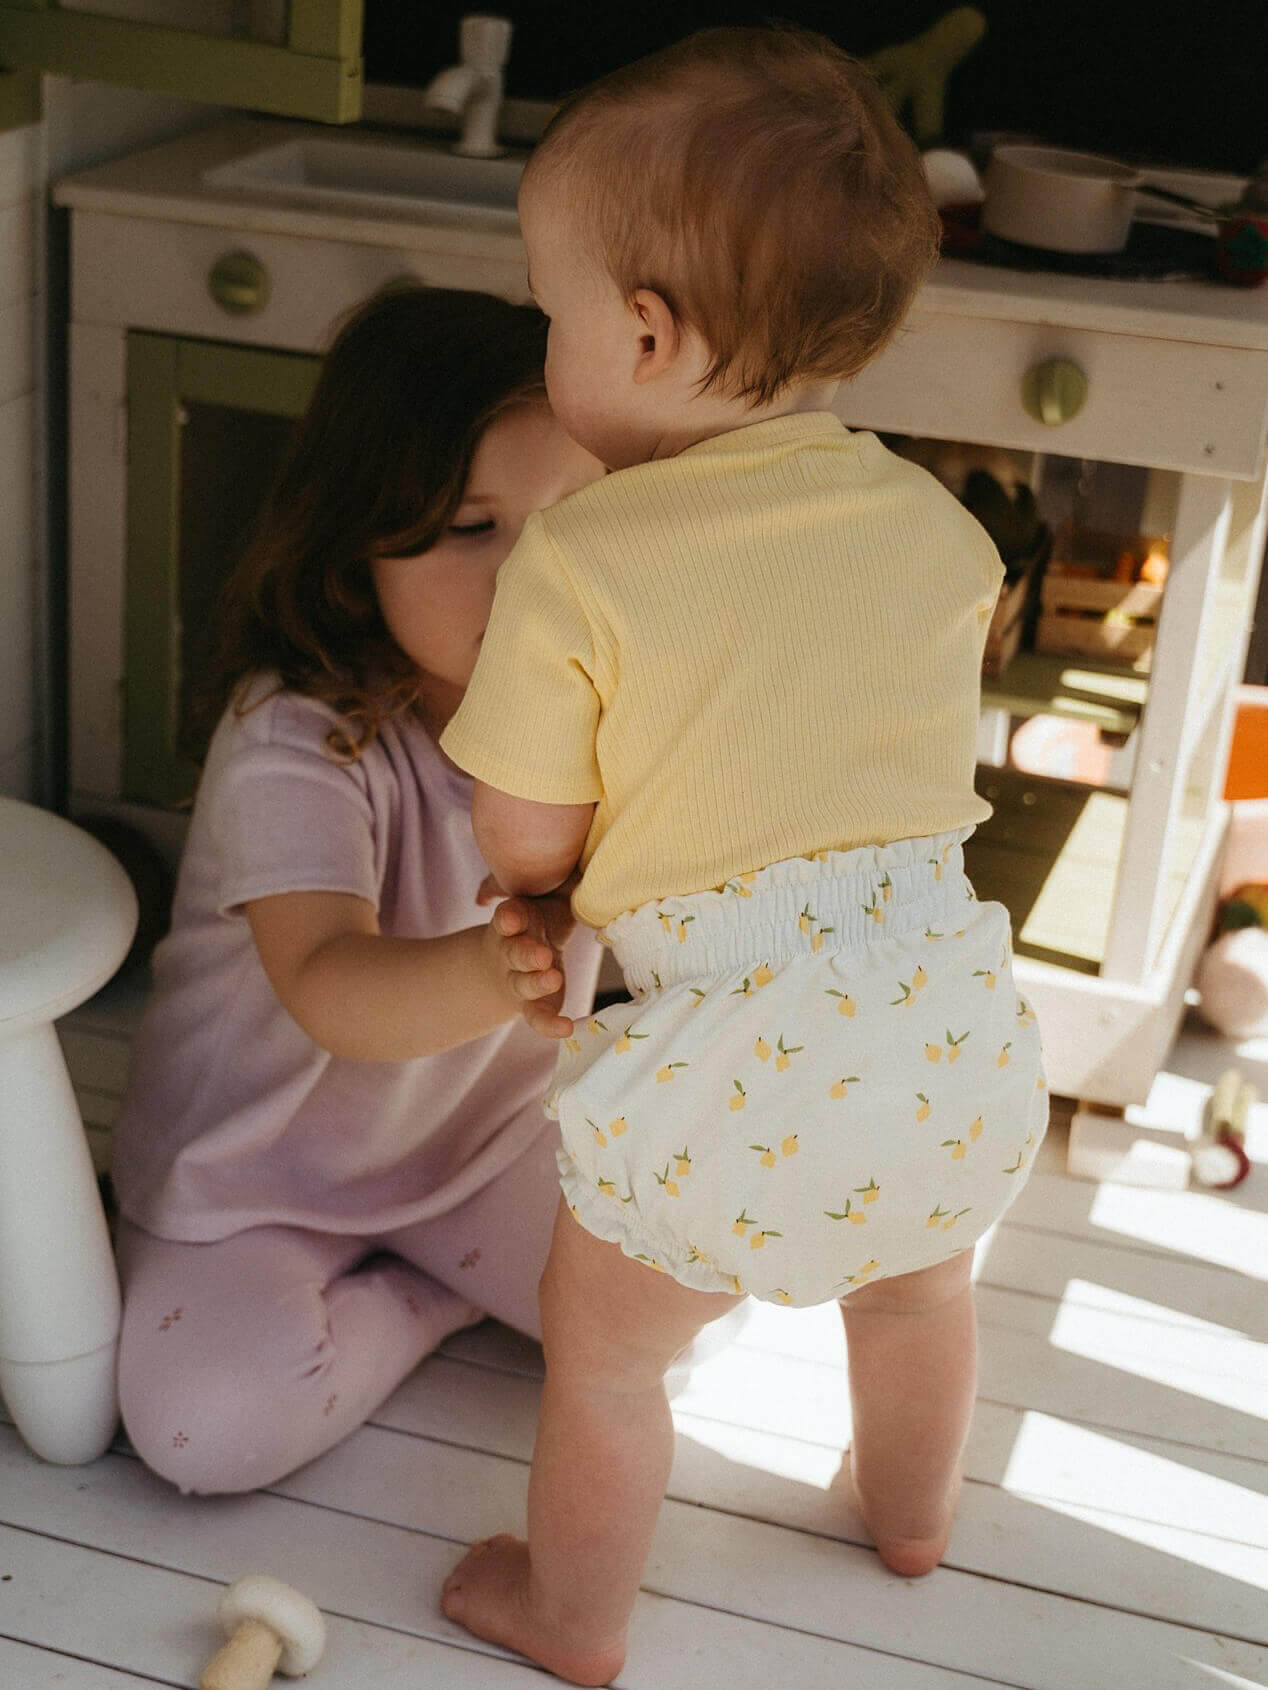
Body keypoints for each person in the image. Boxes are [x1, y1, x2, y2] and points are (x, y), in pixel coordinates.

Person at [436, 24, 1049, 1688]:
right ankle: (908, 1518)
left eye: (552, 315)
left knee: (612, 1360)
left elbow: (523, 824)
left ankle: (567, 1617)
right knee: (915, 1300)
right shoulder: (941, 533)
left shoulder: (578, 561)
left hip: (722, 1060)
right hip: (944, 1025)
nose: (554, 343)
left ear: (641, 330)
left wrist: (541, 882)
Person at [109, 283, 613, 1496]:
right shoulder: (296, 736)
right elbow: (331, 984)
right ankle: (429, 1298)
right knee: (200, 1432)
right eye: (468, 527)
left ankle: (441, 1265)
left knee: (684, 1301)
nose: (527, 577)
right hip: (259, 1174)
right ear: (356, 542)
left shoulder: (603, 715)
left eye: (569, 526)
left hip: (483, 1143)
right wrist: (494, 968)